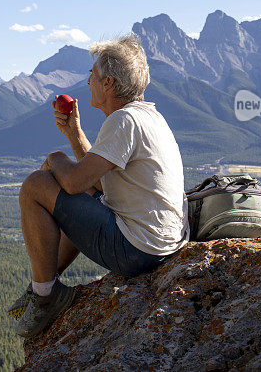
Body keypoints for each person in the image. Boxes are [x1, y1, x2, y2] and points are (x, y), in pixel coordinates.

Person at [10, 33, 188, 338]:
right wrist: (74, 133)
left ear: (108, 84)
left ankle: (44, 297)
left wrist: (55, 158)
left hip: (138, 250)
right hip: (161, 245)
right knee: (80, 199)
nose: (88, 80)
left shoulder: (123, 121)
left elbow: (76, 181)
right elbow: (101, 184)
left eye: (92, 74)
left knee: (36, 186)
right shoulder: (148, 117)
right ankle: (44, 286)